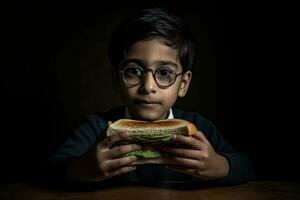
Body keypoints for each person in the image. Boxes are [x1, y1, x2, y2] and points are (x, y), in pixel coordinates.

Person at [45, 8, 255, 187]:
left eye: (164, 73)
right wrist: (82, 169)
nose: (148, 87)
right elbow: (50, 170)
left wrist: (220, 165)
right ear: (117, 79)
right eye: (134, 71)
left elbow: (248, 166)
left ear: (183, 84)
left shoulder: (199, 128)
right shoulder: (97, 128)